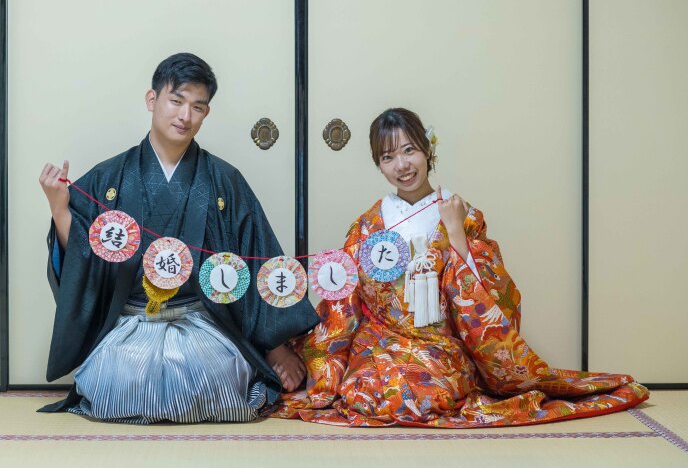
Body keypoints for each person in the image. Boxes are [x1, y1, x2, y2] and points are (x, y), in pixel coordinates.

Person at [273, 107, 648, 427]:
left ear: (428, 150)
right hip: (380, 341)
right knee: (367, 394)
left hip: (440, 343)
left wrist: (455, 232)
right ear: (379, 165)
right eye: (388, 157)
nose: (402, 165)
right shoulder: (369, 224)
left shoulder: (460, 212)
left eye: (409, 150)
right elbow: (345, 301)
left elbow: (491, 292)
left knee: (422, 397)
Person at [38, 53, 318, 423]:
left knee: (217, 379)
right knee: (115, 383)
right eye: (176, 100)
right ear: (152, 99)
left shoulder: (224, 180)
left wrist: (276, 346)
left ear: (206, 113)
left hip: (203, 323)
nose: (185, 115)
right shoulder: (109, 178)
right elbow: (83, 259)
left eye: (197, 107)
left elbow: (257, 254)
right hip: (132, 324)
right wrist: (59, 208)